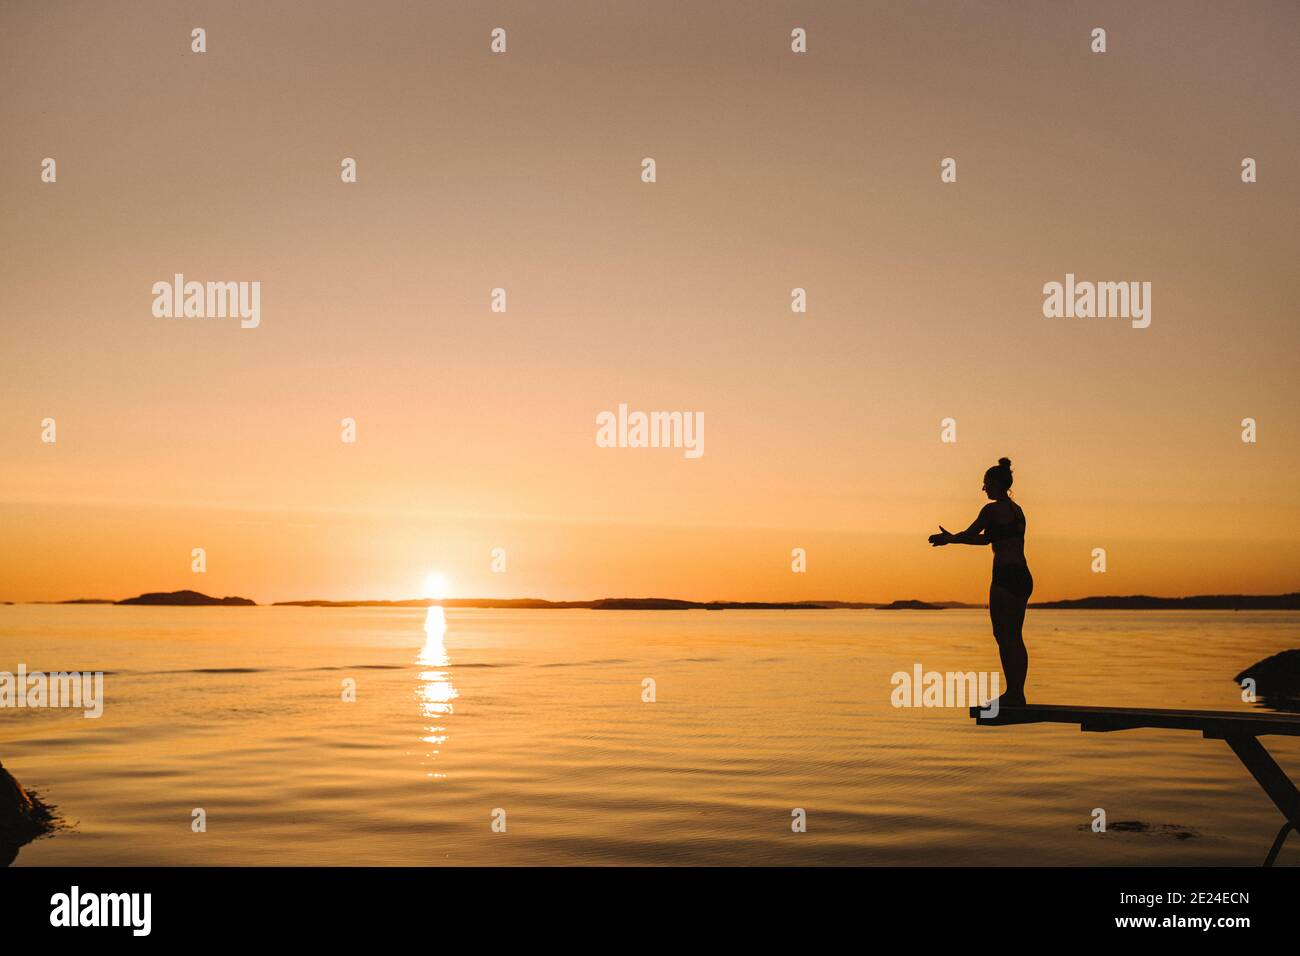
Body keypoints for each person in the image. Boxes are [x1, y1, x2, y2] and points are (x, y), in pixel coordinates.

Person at [928, 457, 1031, 706]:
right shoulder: (1016, 510)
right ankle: (1018, 692)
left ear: (996, 483)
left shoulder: (991, 510)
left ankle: (1013, 694)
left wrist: (950, 539)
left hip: (1005, 577)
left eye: (985, 483)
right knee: (1015, 636)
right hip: (1024, 576)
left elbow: (971, 534)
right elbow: (986, 540)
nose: (983, 488)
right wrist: (953, 539)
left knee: (1002, 635)